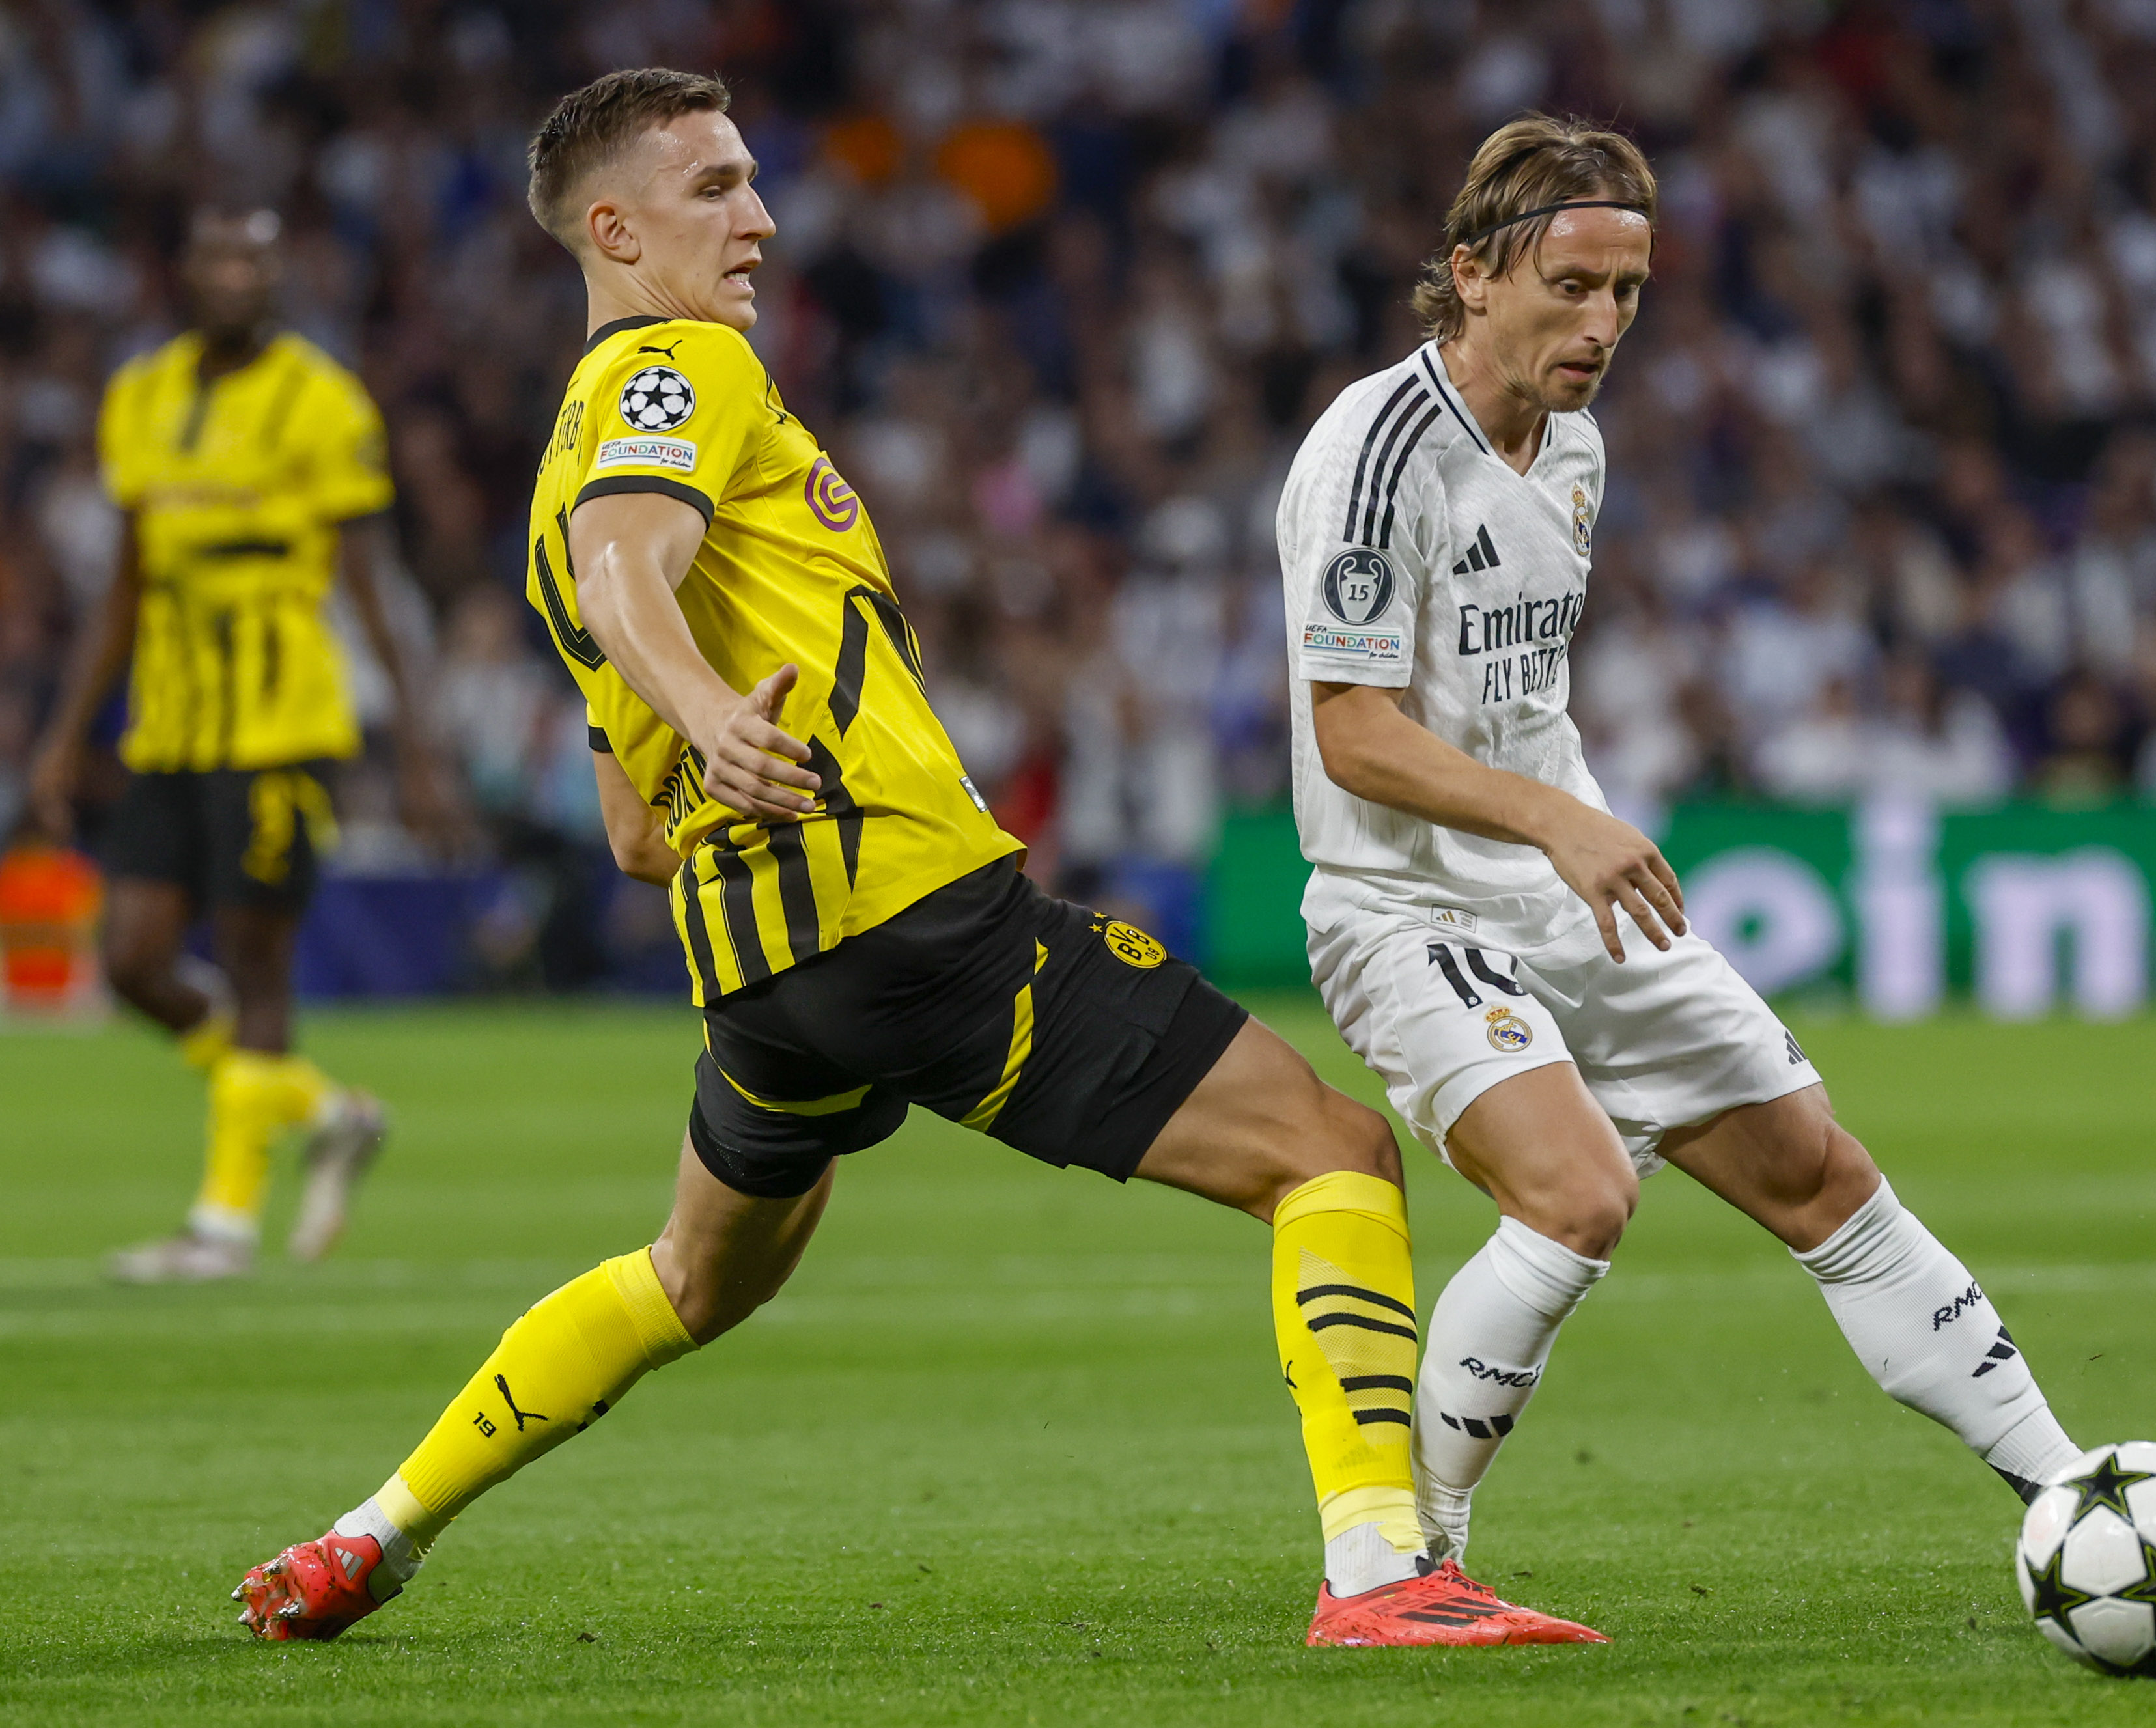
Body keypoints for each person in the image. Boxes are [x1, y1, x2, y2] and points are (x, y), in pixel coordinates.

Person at [230, 68, 1597, 1651]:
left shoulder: (556, 473)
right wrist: (715, 721)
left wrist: (707, 761)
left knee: (691, 1277)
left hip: (765, 974)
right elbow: (628, 575)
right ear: (612, 230)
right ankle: (1381, 1575)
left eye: (750, 181)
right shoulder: (679, 369)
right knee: (1331, 1154)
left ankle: (364, 1535)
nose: (757, 217)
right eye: (715, 188)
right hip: (906, 917)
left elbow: (628, 831)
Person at [1280, 116, 2156, 1580]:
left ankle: (2074, 1493)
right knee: (1579, 1193)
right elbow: (1351, 732)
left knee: (1818, 1170)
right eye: (1571, 284)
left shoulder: (1576, 448)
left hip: (1564, 886)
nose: (1602, 324)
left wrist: (1561, 822)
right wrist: (1561, 815)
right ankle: (1421, 1558)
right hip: (1402, 898)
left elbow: (1512, 702)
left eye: (1628, 292)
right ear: (1471, 274)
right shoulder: (1375, 446)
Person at [29, 209, 451, 1283]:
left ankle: (221, 1223)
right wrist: (66, 735)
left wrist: (416, 746)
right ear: (184, 272)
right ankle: (324, 1107)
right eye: (220, 257)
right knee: (129, 962)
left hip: (278, 724)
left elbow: (371, 577)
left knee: (257, 964)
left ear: (276, 274)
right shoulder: (140, 395)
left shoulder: (323, 400)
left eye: (258, 259)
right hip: (168, 724)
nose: (239, 276)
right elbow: (123, 582)